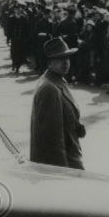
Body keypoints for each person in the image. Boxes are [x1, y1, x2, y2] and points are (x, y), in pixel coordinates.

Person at [29, 37, 86, 169]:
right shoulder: (49, 88)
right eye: (60, 58)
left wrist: (77, 127)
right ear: (49, 63)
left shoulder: (57, 80)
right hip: (61, 166)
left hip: (70, 158)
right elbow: (53, 141)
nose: (65, 62)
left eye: (67, 58)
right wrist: (63, 174)